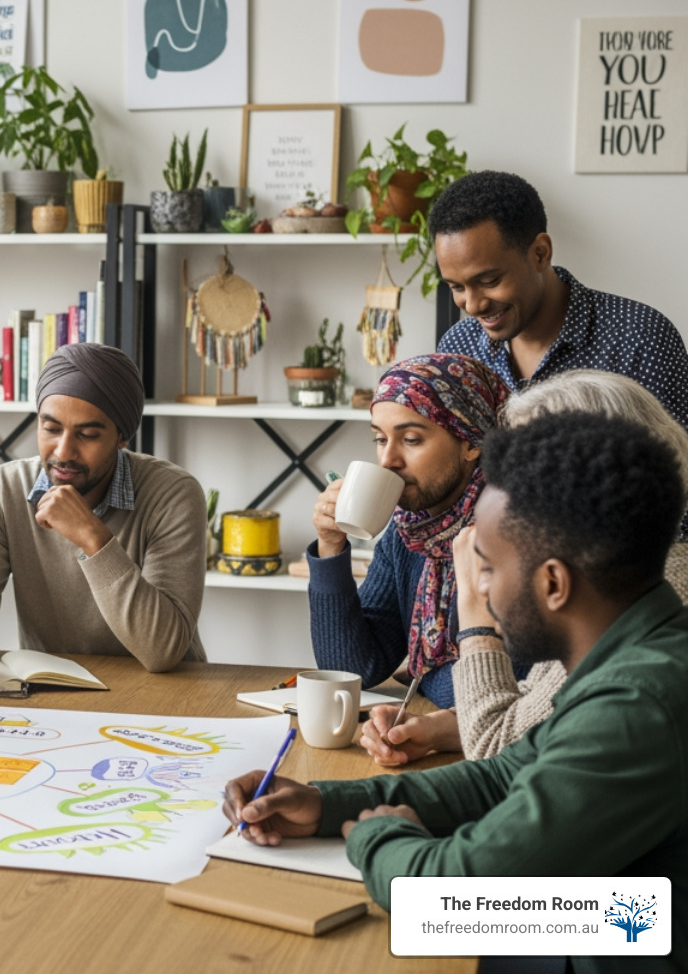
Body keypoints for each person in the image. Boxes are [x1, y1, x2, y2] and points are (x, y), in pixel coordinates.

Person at [224, 413, 688, 973]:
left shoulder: (638, 706)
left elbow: (452, 902)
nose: (477, 590)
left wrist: (377, 835)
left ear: (554, 584)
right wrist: (326, 803)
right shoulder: (636, 654)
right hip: (610, 923)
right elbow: (503, 776)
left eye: (485, 568)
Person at [360, 369, 688, 765]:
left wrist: (477, 618)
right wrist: (445, 728)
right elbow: (541, 715)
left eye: (524, 472)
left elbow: (502, 754)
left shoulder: (631, 594)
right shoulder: (630, 571)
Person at [0, 342, 207, 682]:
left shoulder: (173, 494)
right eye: (51, 429)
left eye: (87, 434)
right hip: (54, 690)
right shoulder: (6, 488)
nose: (63, 452)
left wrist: (94, 538)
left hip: (168, 692)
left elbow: (162, 651)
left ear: (123, 437)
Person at [432, 169, 688, 479]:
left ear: (540, 253)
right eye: (456, 287)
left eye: (489, 280)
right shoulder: (458, 348)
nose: (472, 305)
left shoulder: (640, 338)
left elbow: (679, 483)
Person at [308, 354, 509, 709]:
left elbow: (496, 690)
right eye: (380, 439)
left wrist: (424, 673)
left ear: (472, 442)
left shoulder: (513, 533)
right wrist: (330, 547)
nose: (387, 461)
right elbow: (351, 669)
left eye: (411, 439)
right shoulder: (409, 532)